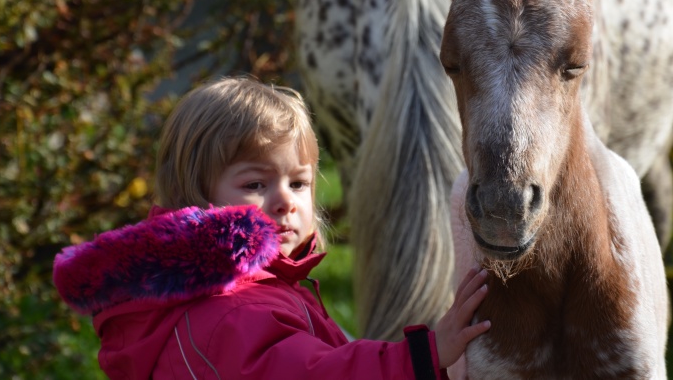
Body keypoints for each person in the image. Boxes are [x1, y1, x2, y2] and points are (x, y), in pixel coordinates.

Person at [53, 75, 490, 380]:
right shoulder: (230, 312)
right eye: (256, 184)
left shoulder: (258, 291)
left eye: (299, 182)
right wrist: (424, 355)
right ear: (195, 194)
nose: (285, 201)